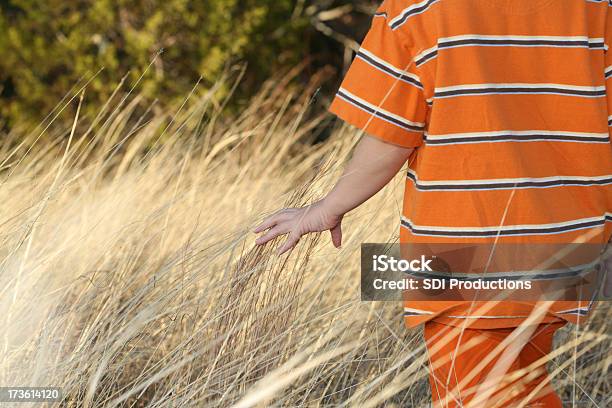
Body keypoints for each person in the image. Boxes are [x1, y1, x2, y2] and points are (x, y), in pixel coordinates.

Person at [254, 0, 612, 406]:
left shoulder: (416, 9)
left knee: (480, 396)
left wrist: (328, 206)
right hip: (566, 247)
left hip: (460, 251)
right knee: (519, 385)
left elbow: (391, 135)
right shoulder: (593, 8)